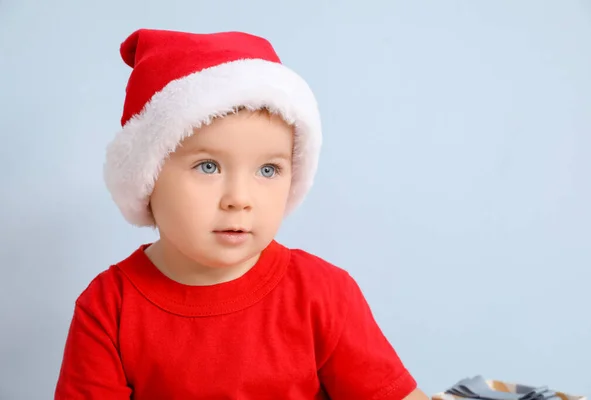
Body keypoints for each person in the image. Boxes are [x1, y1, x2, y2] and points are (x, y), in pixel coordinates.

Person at [54, 28, 428, 400]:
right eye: (208, 166)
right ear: (147, 177)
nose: (239, 199)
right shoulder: (109, 307)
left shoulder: (323, 294)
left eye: (268, 170)